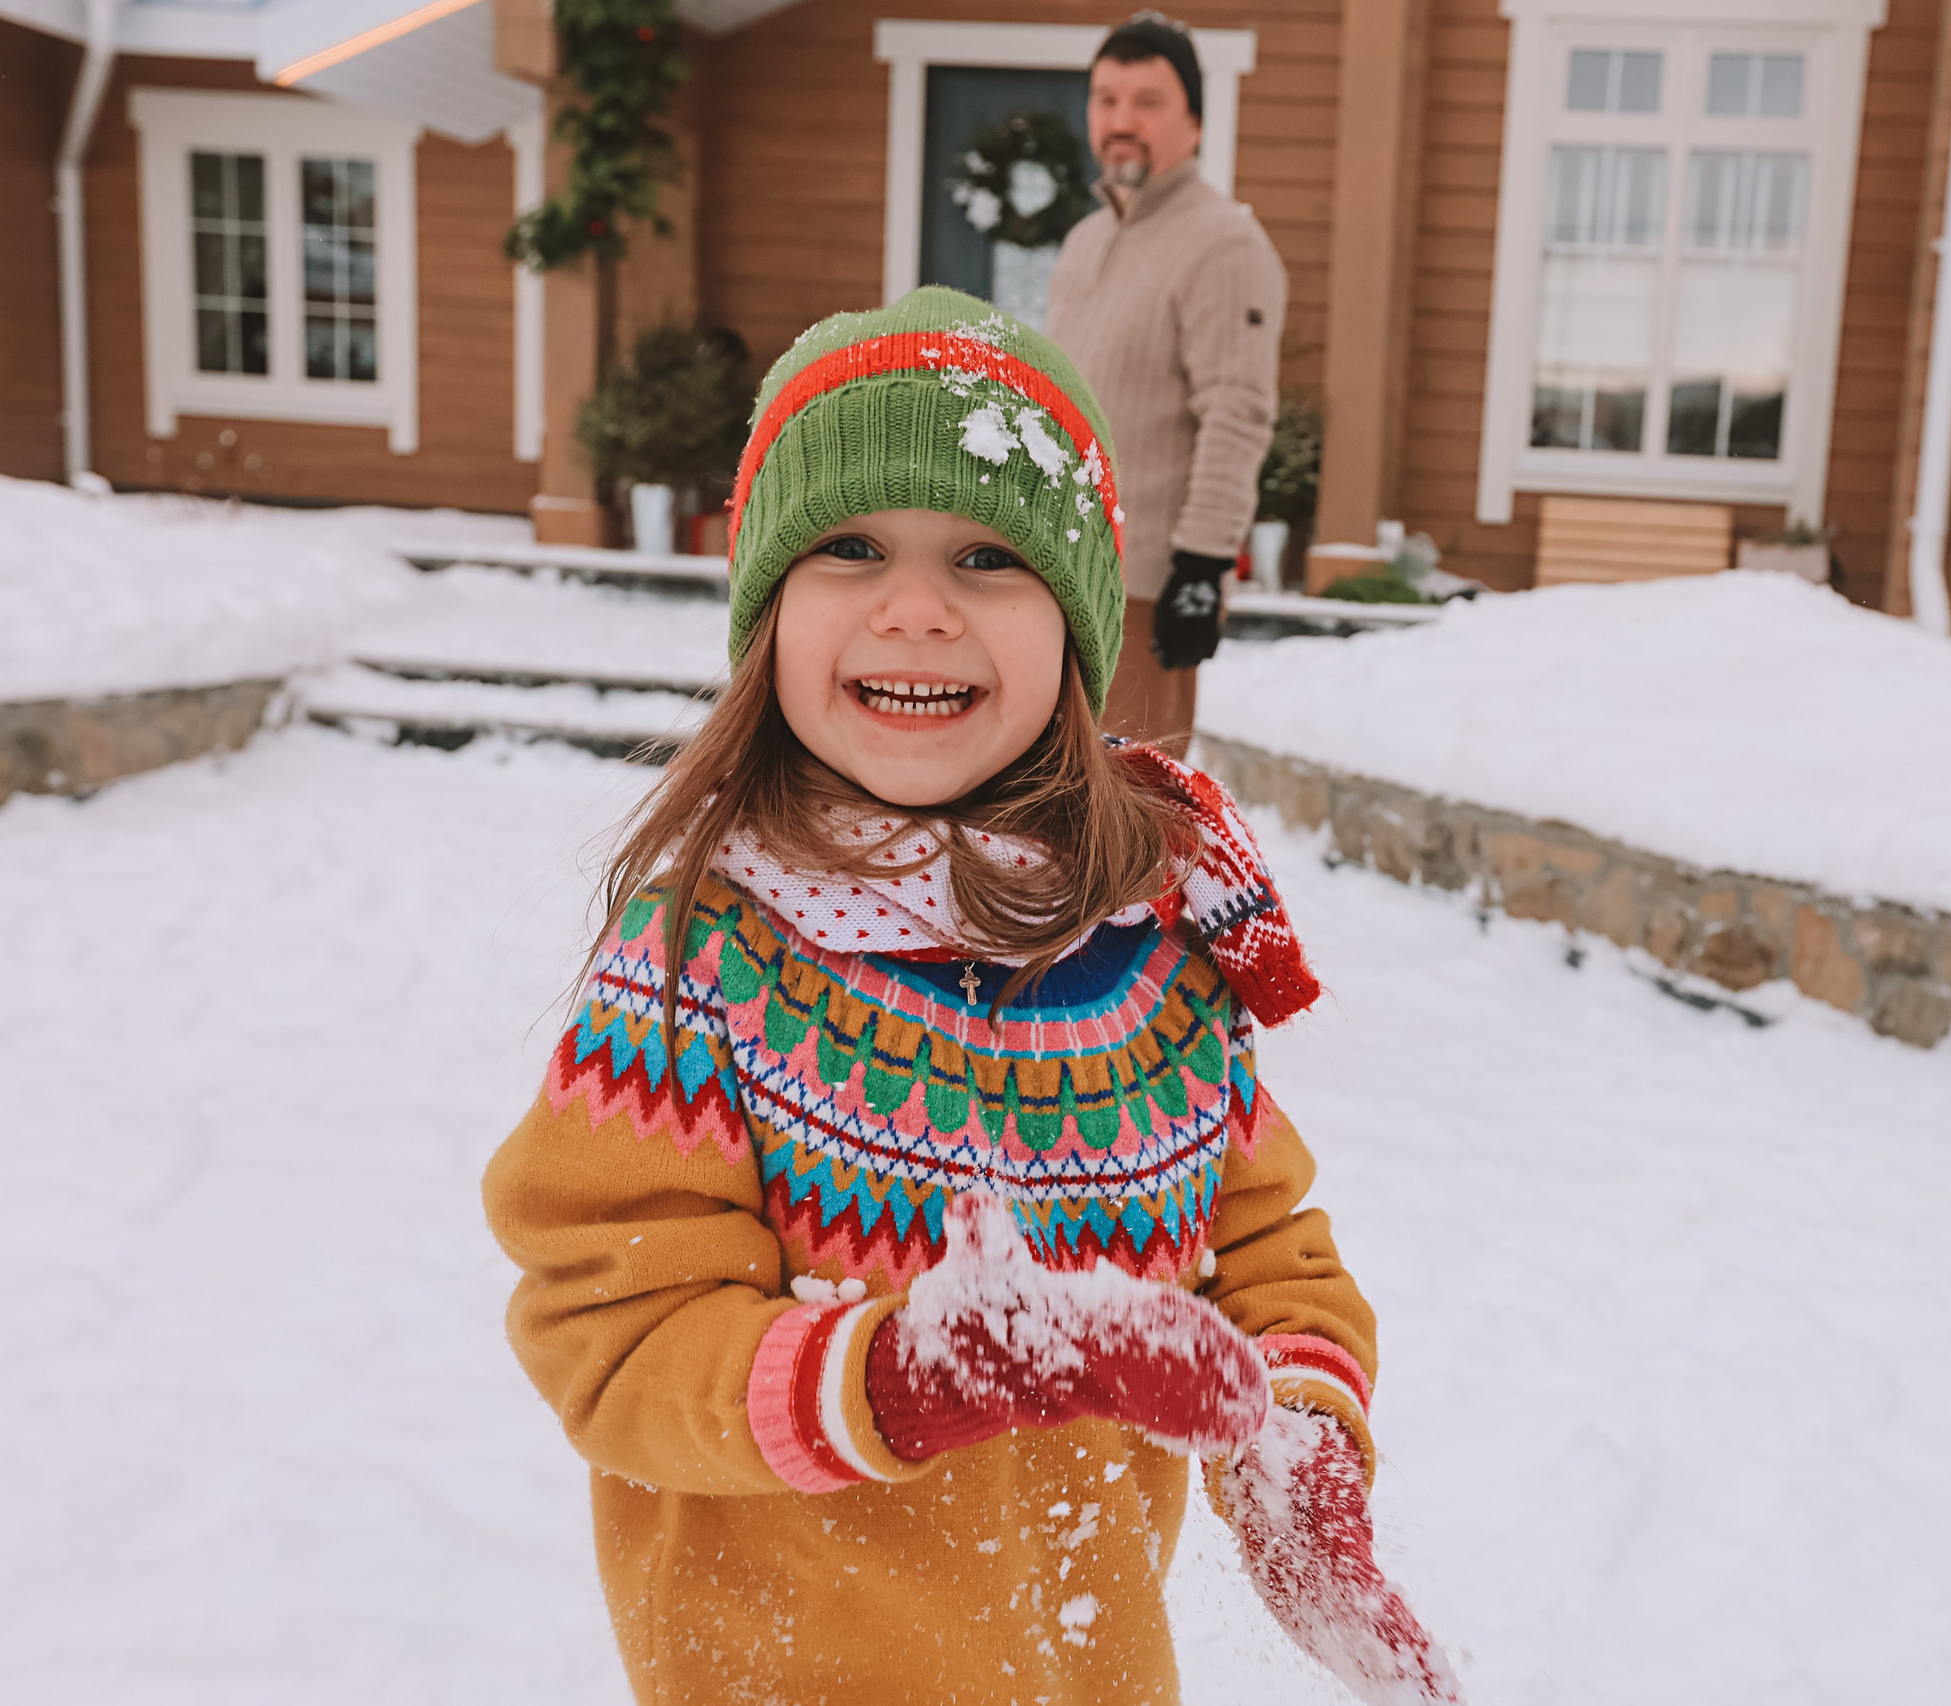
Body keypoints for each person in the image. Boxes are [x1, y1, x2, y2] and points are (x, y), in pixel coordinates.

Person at [483, 288, 1457, 1706]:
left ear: (1072, 629)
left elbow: (1266, 1251)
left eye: (990, 556)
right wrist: (898, 1374)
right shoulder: (708, 962)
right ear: (765, 616)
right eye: (853, 547)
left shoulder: (1152, 963)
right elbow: (610, 1332)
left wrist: (1296, 1443)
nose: (919, 606)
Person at [1047, 11, 1285, 759]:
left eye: (1147, 102)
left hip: (1147, 584)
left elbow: (1238, 412)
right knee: (1049, 805)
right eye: (1106, 99)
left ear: (1195, 124)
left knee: (1130, 807)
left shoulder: (1223, 244)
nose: (1122, 121)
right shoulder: (1087, 240)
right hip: (1059, 568)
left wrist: (1203, 564)